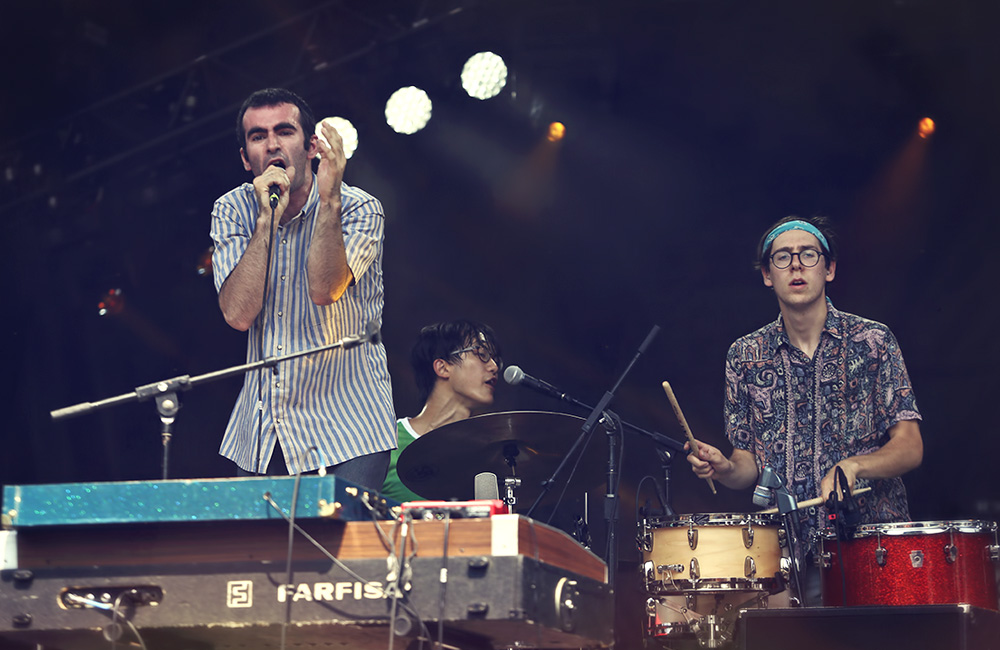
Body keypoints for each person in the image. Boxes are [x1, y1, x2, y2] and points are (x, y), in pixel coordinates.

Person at [685, 215, 923, 604]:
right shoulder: (745, 355)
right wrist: (725, 468)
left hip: (873, 547)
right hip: (788, 556)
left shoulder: (873, 340)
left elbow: (910, 446)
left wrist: (854, 466)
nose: (796, 265)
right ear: (767, 275)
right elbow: (749, 465)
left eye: (808, 255)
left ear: (829, 269)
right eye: (783, 257)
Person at [209, 88, 395, 488]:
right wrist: (266, 219)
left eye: (284, 131)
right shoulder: (232, 210)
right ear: (246, 159)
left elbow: (325, 289)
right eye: (258, 136)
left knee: (340, 532)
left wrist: (329, 201)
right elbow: (238, 314)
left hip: (350, 427)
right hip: (264, 433)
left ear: (312, 147)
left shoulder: (360, 208)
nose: (272, 144)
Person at [381, 320, 502, 502]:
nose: (494, 367)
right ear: (443, 367)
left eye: (495, 359)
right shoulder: (387, 442)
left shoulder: (488, 457)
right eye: (482, 354)